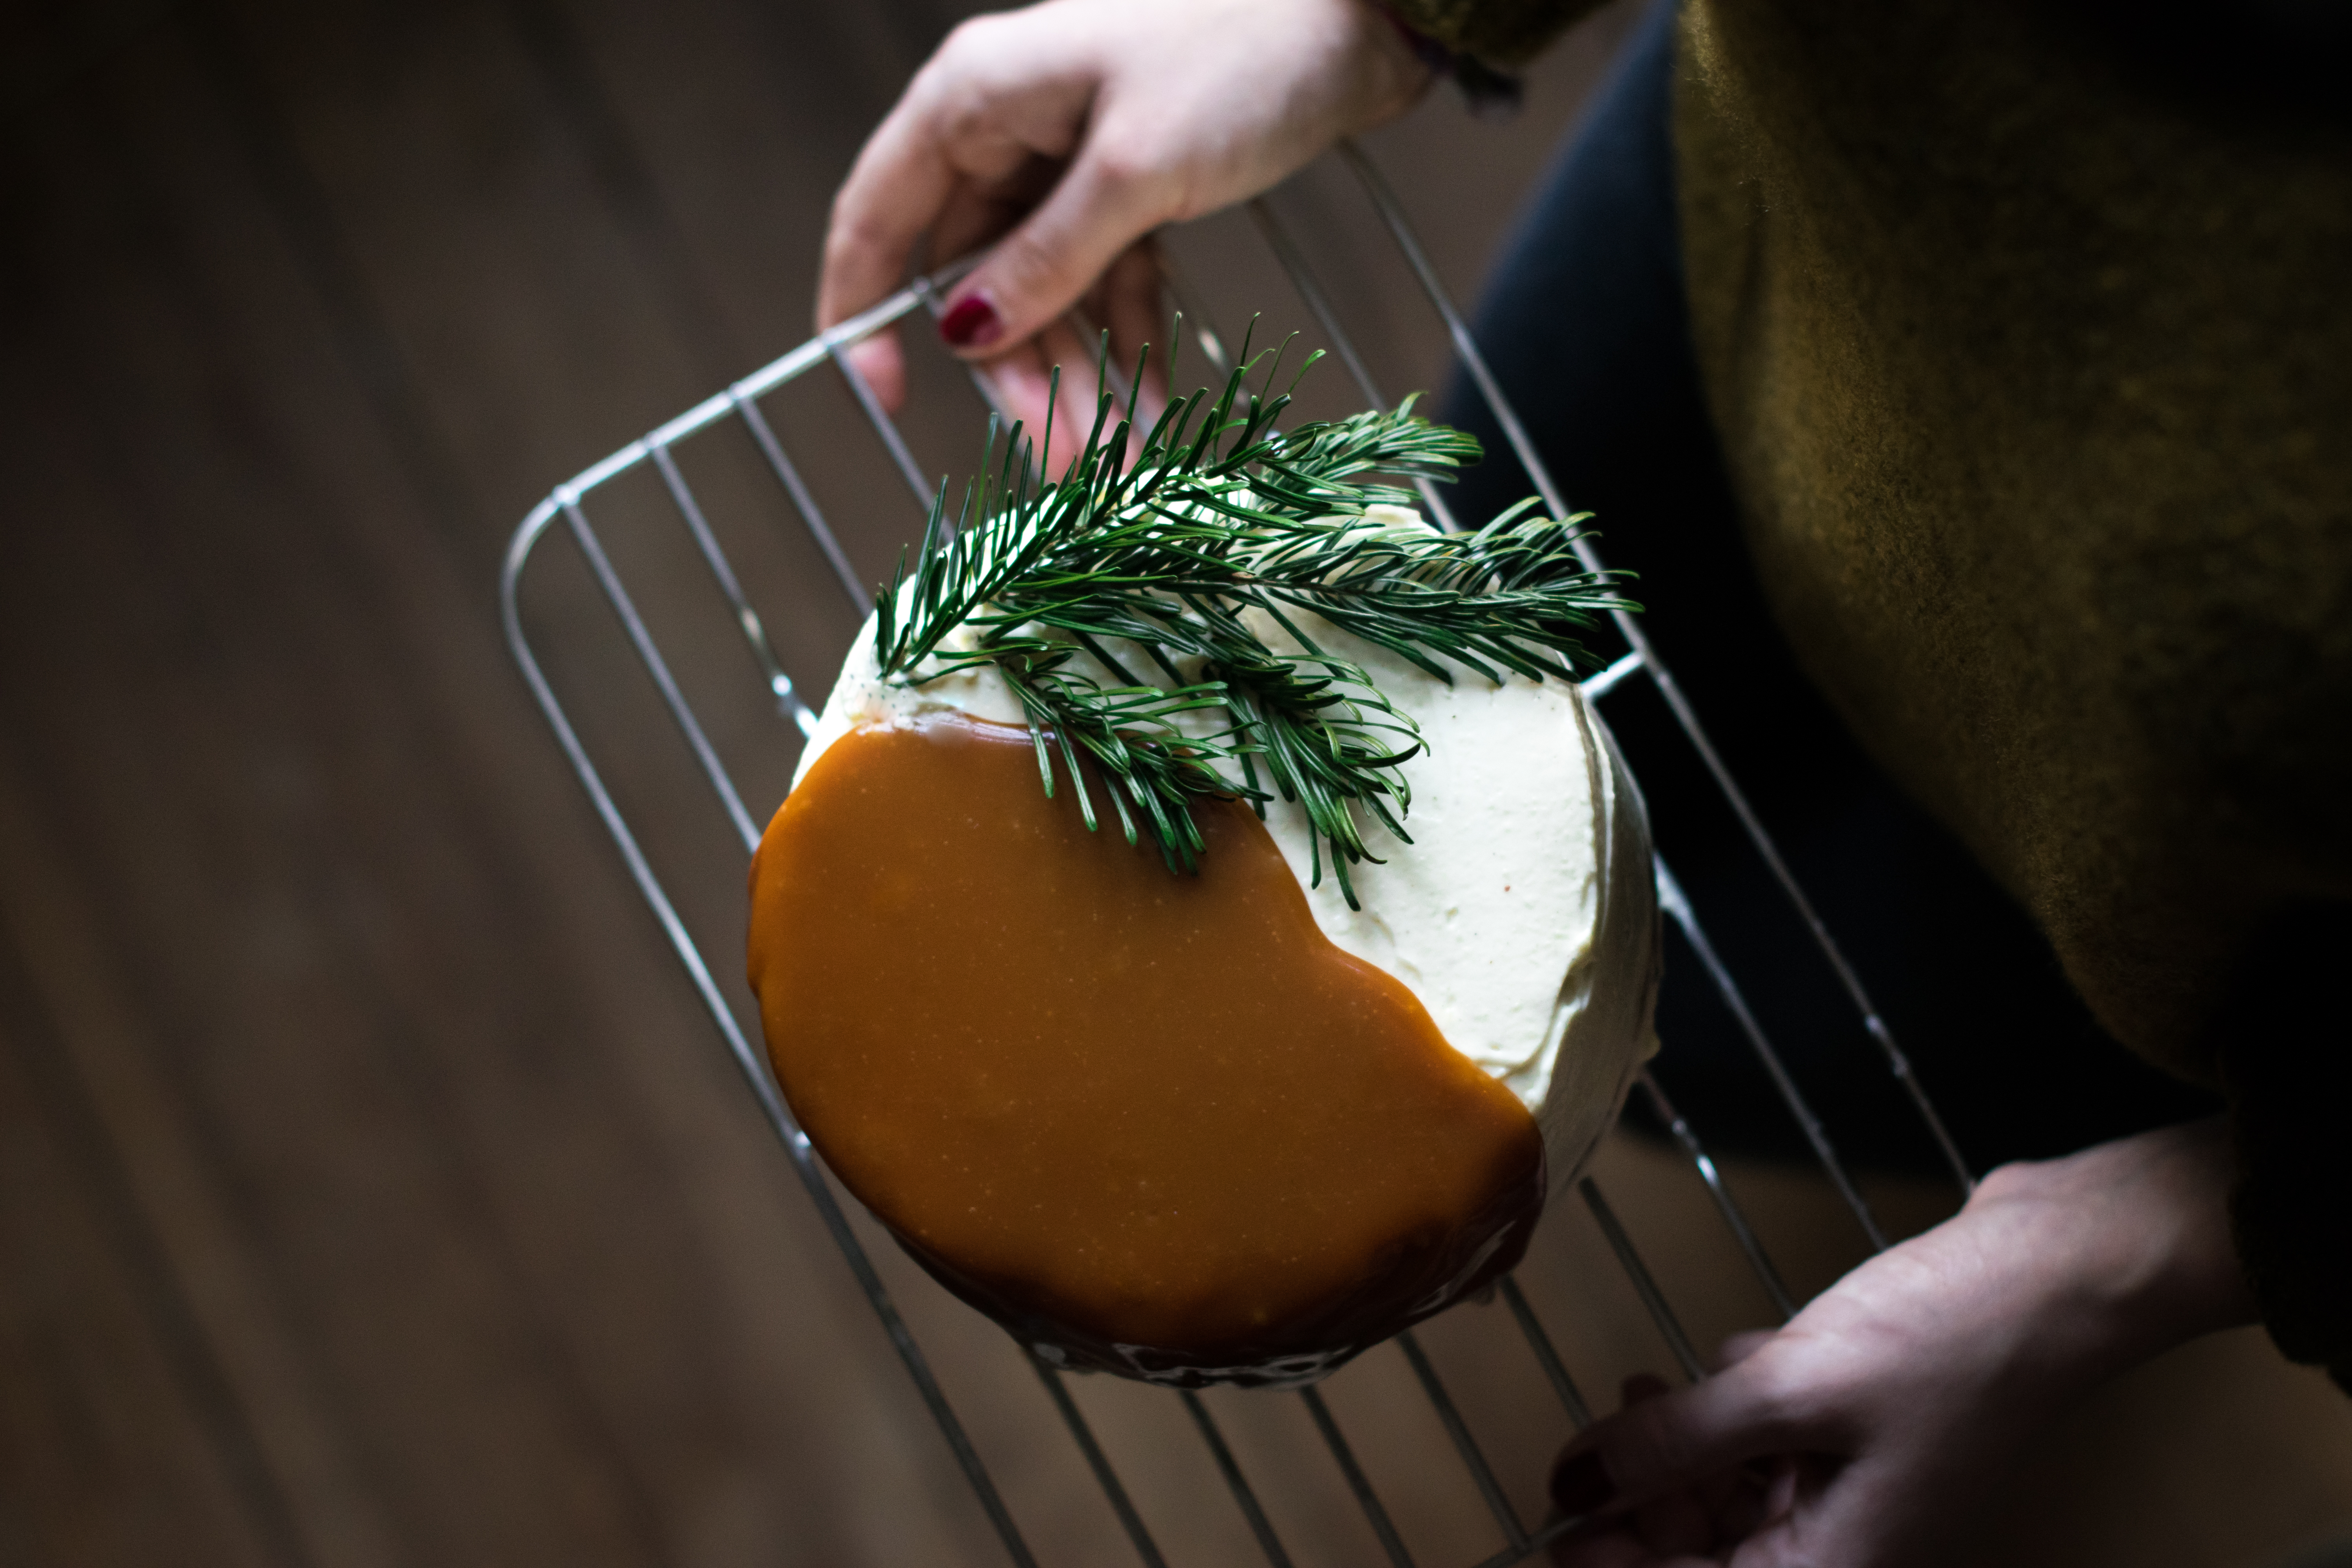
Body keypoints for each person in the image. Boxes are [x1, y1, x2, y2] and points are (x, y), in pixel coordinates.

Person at [817, 0, 2352, 1561]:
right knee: (1560, 811)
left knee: (1687, 1042)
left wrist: (2142, 1244)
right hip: (1766, 203)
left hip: (2166, 926)